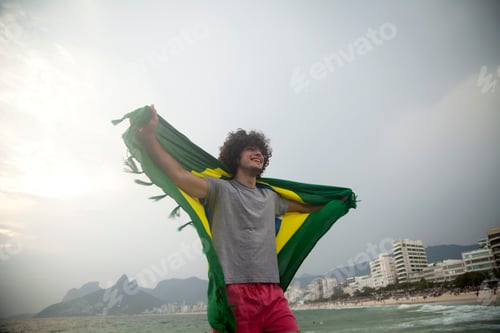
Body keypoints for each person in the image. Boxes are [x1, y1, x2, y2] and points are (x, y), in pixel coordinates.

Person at [136, 105, 322, 333]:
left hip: (273, 294)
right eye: (251, 149)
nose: (258, 154)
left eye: (261, 151)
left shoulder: (271, 197)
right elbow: (178, 175)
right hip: (235, 295)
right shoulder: (219, 190)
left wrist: (338, 201)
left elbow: (307, 208)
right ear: (236, 156)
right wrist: (149, 138)